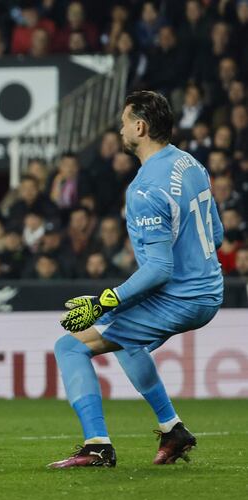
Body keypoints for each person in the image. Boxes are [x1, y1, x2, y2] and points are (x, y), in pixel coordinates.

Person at [50, 91, 223, 468]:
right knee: (128, 340)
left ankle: (97, 445)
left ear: (140, 128)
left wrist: (103, 301)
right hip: (208, 289)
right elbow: (217, 235)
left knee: (70, 347)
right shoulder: (191, 164)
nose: (121, 127)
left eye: (125, 121)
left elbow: (159, 269)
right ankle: (173, 430)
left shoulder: (145, 189)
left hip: (180, 297)